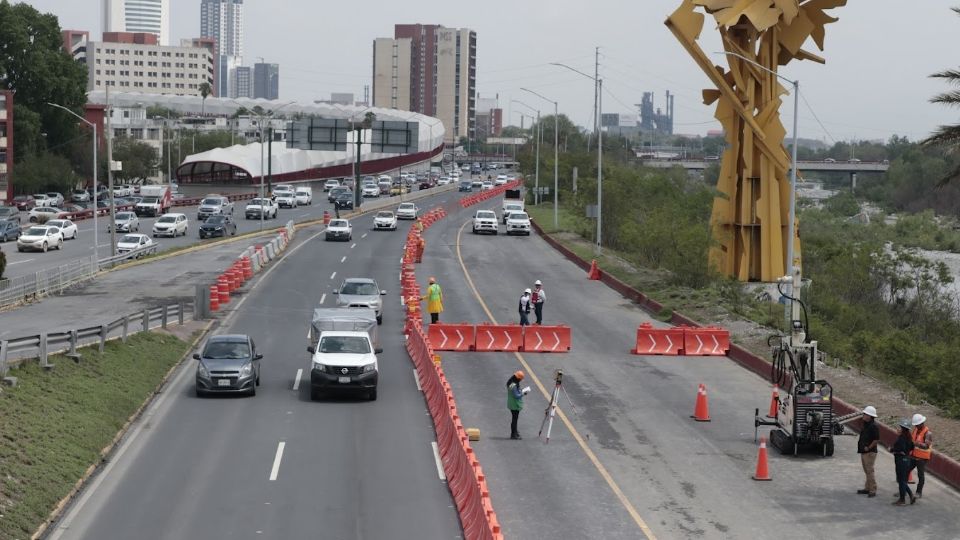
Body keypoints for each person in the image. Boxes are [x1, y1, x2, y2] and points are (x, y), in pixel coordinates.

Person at [891, 419, 917, 506]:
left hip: (901, 461)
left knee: (901, 481)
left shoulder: (901, 438)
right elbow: (912, 447)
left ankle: (902, 500)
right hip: (907, 460)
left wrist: (892, 450)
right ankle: (911, 495)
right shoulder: (909, 438)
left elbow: (899, 449)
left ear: (902, 428)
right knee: (903, 481)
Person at [857, 405, 880, 497]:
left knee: (870, 471)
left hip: (870, 452)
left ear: (870, 416)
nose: (863, 415)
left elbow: (876, 440)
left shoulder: (874, 426)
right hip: (864, 451)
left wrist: (869, 447)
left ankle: (873, 489)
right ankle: (867, 488)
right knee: (867, 470)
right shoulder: (866, 424)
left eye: (865, 414)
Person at [909, 413, 933, 499]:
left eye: (917, 424)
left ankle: (918, 492)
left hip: (922, 458)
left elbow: (926, 445)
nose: (915, 426)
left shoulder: (928, 433)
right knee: (906, 471)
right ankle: (903, 489)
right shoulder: (915, 430)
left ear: (921, 423)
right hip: (914, 455)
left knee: (920, 475)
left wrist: (917, 444)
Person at [507, 371, 527, 439]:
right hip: (515, 404)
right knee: (514, 419)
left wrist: (521, 391)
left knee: (514, 419)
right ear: (518, 378)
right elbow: (516, 396)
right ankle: (513, 434)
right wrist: (523, 393)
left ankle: (515, 431)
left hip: (511, 403)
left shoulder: (511, 383)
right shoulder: (514, 386)